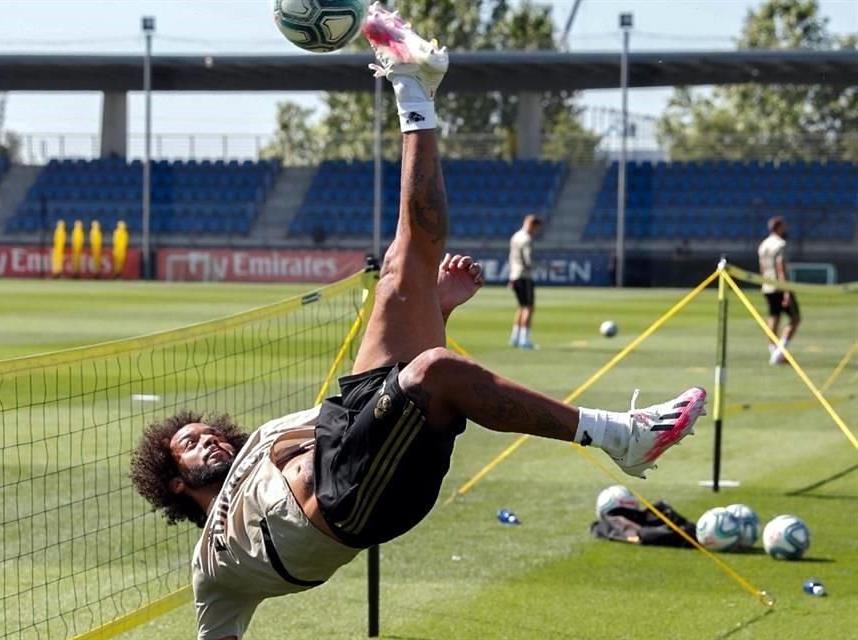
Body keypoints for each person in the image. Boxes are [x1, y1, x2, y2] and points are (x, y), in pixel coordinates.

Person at [129, 7, 707, 638]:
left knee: (406, 259)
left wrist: (433, 306)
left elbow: (364, 404)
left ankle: (413, 87)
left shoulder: (266, 439)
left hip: (341, 435)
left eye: (203, 432)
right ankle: (621, 436)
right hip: (352, 503)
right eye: (188, 444)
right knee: (432, 372)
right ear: (173, 479)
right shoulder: (211, 571)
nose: (206, 439)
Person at [757, 215, 801, 365]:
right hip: (779, 286)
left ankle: (773, 352)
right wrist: (787, 290)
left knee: (773, 319)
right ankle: (779, 353)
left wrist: (763, 284)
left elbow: (762, 268)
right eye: (783, 226)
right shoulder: (780, 244)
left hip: (767, 286)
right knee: (795, 318)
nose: (786, 229)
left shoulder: (763, 245)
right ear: (778, 227)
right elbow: (781, 269)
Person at [507, 214, 542, 349]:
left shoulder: (516, 236)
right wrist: (543, 266)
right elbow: (529, 261)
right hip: (524, 276)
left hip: (515, 275)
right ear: (532, 225)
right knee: (529, 308)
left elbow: (511, 257)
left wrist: (511, 277)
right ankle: (524, 340)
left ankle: (515, 337)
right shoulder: (527, 239)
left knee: (522, 307)